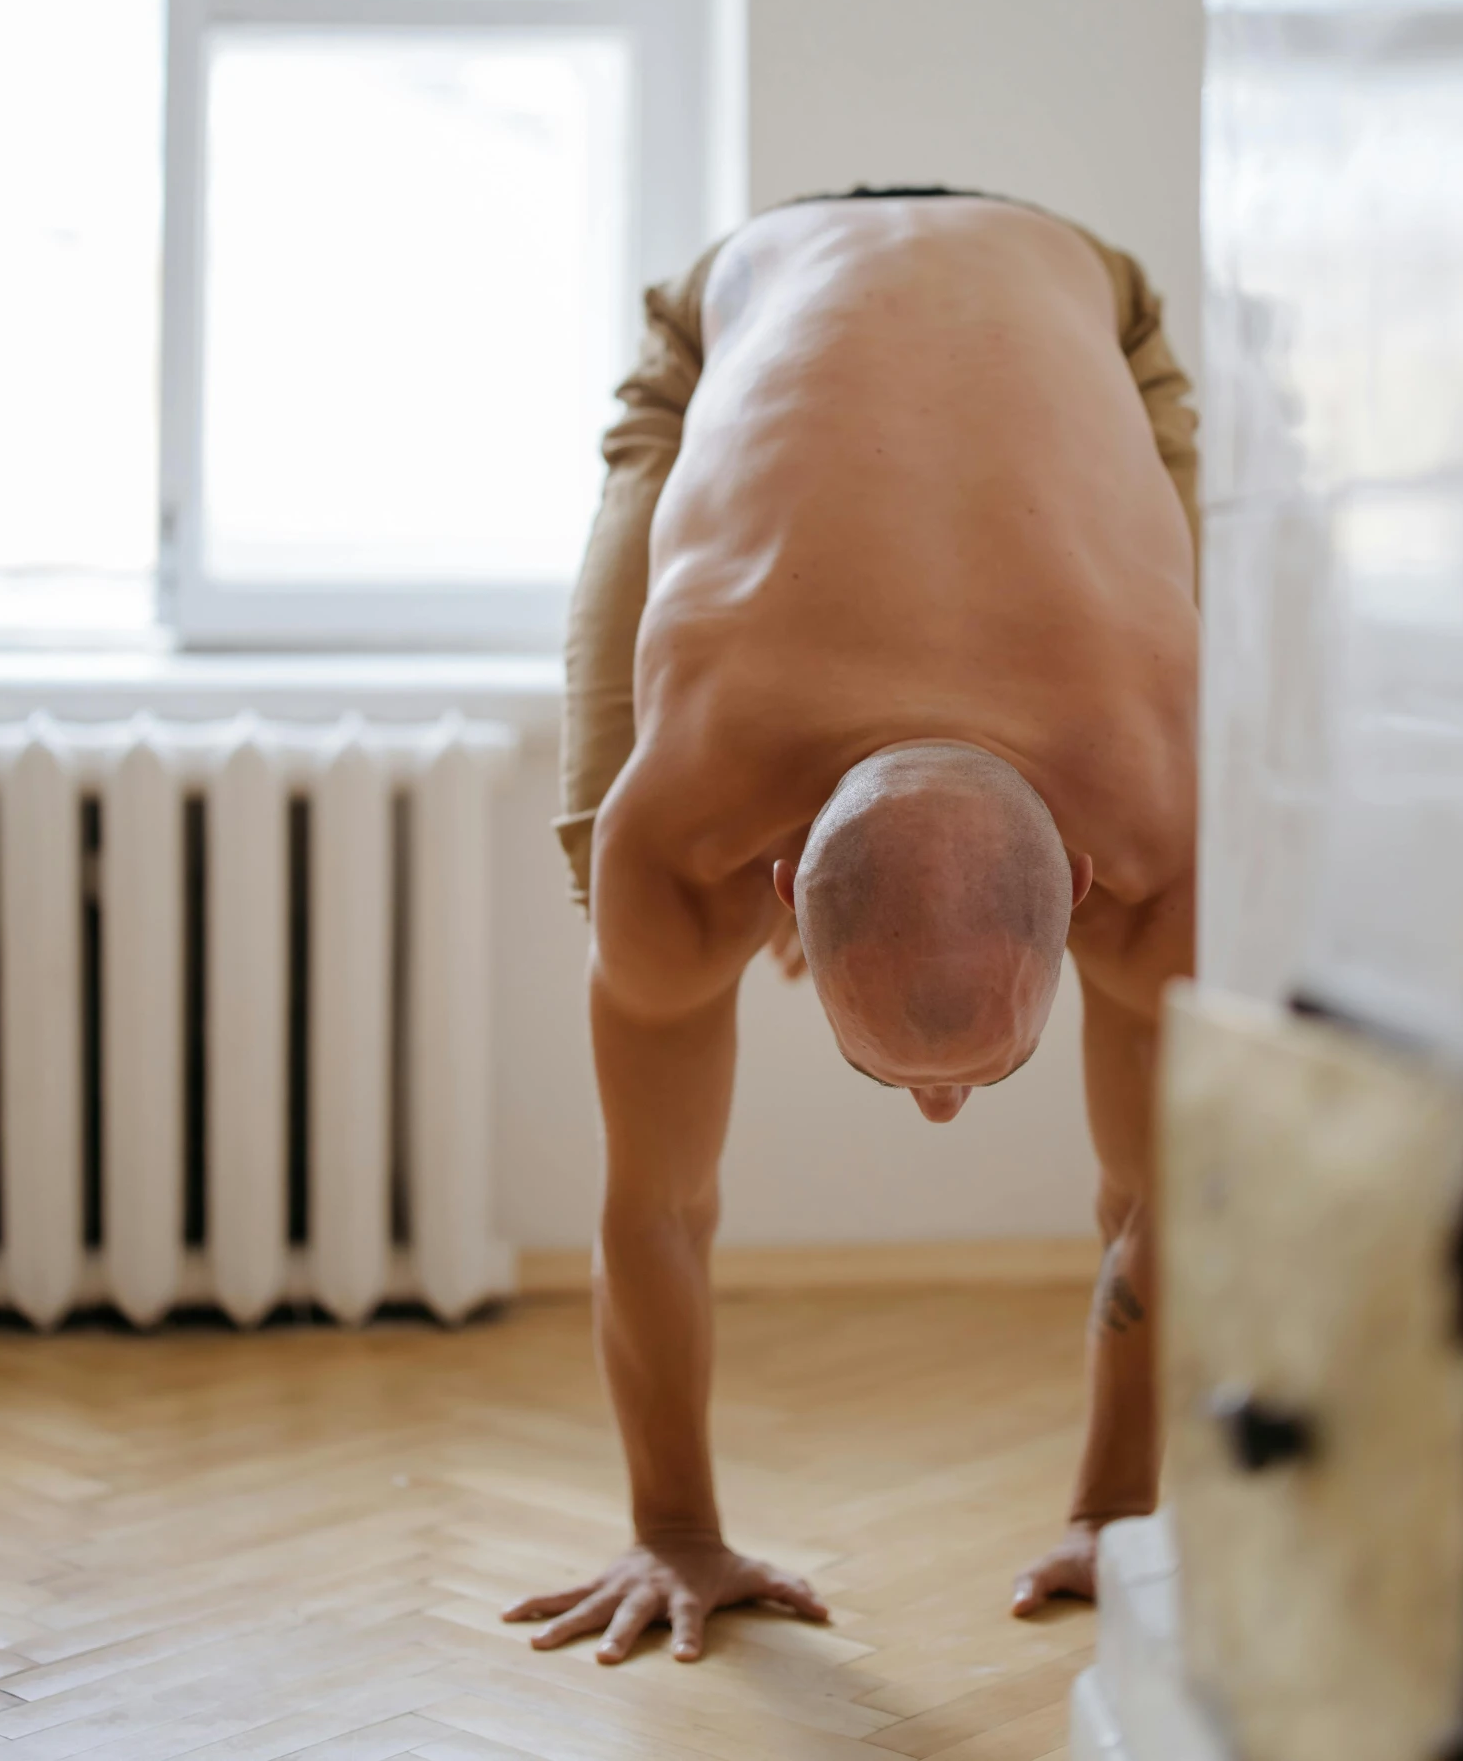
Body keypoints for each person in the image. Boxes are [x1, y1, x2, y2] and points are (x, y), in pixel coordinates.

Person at [503, 187, 1199, 1665]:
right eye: (907, 1071)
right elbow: (657, 1204)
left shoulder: (1169, 834)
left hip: (1087, 299)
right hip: (740, 308)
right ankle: (674, 1511)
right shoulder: (675, 834)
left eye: (965, 1071)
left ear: (1082, 883)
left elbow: (1164, 1201)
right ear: (770, 882)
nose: (941, 1108)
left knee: (1173, 1143)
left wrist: (1117, 1510)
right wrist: (674, 1532)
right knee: (611, 889)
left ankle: (1120, 1499)